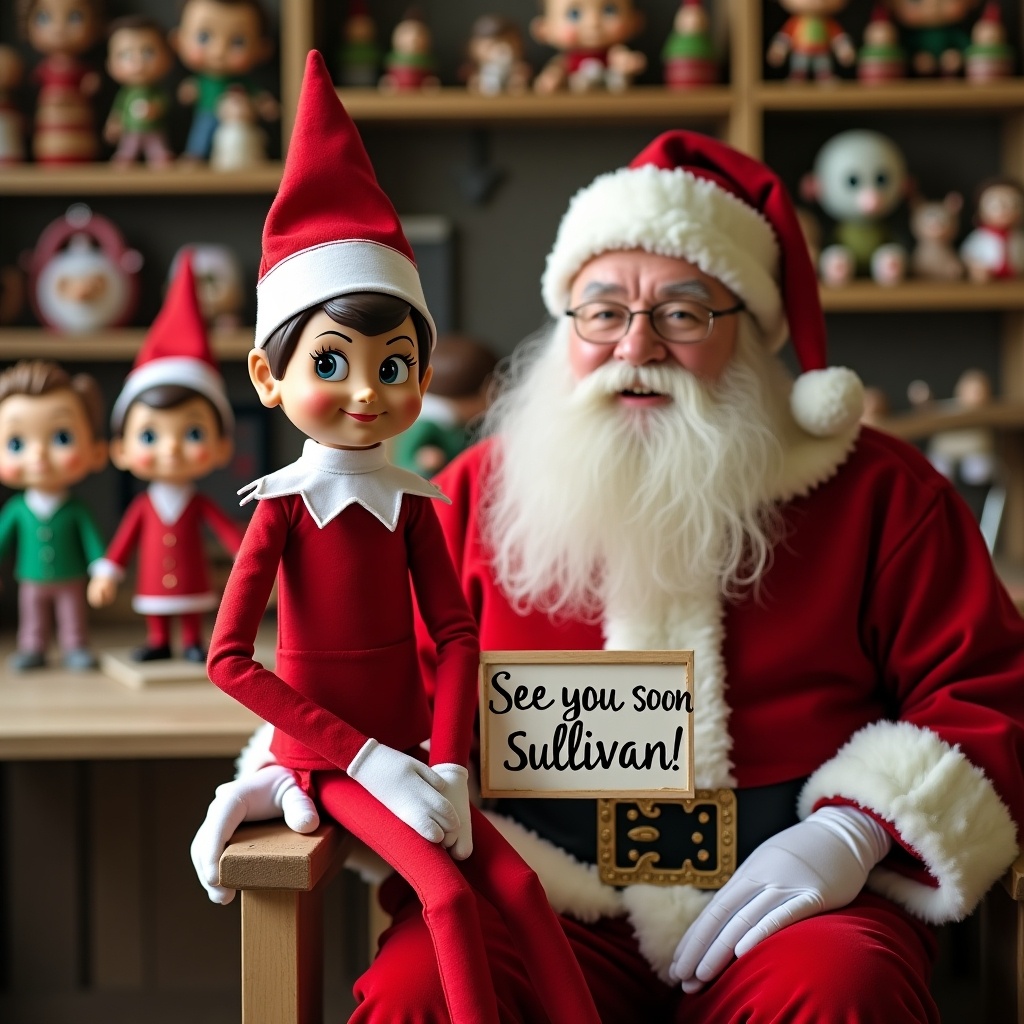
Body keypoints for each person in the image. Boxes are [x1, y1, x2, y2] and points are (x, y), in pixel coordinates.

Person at [192, 128, 1024, 1022]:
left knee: (843, 993)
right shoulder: (467, 494)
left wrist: (855, 831)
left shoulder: (881, 494)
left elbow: (986, 691)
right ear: (566, 328)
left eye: (684, 311)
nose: (637, 345)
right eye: (602, 311)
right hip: (537, 882)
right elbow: (383, 679)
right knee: (418, 994)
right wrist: (299, 768)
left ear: (750, 335)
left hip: (790, 899)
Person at [197, 51, 601, 1024]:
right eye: (333, 361)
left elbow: (457, 636)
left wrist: (450, 761)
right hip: (329, 760)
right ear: (266, 375)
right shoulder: (283, 508)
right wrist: (363, 758)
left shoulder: (416, 500)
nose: (369, 391)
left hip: (420, 750)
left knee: (520, 894)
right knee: (452, 897)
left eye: (396, 362)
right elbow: (228, 662)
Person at [87, 254, 244, 662]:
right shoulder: (144, 505)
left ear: (222, 445)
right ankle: (159, 640)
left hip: (191, 581)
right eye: (150, 435)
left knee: (191, 604)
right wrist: (108, 569)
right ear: (120, 449)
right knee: (159, 608)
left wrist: (247, 552)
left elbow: (228, 532)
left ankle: (192, 640)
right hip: (153, 583)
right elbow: (122, 543)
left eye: (192, 433)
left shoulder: (197, 504)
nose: (170, 448)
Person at [0, 360, 108, 670]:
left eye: (61, 438)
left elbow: (93, 542)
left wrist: (100, 570)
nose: (38, 455)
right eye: (17, 443)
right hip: (31, 579)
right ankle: (33, 646)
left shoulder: (76, 509)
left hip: (71, 578)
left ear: (96, 451)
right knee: (32, 614)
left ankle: (75, 645)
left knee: (71, 614)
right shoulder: (17, 509)